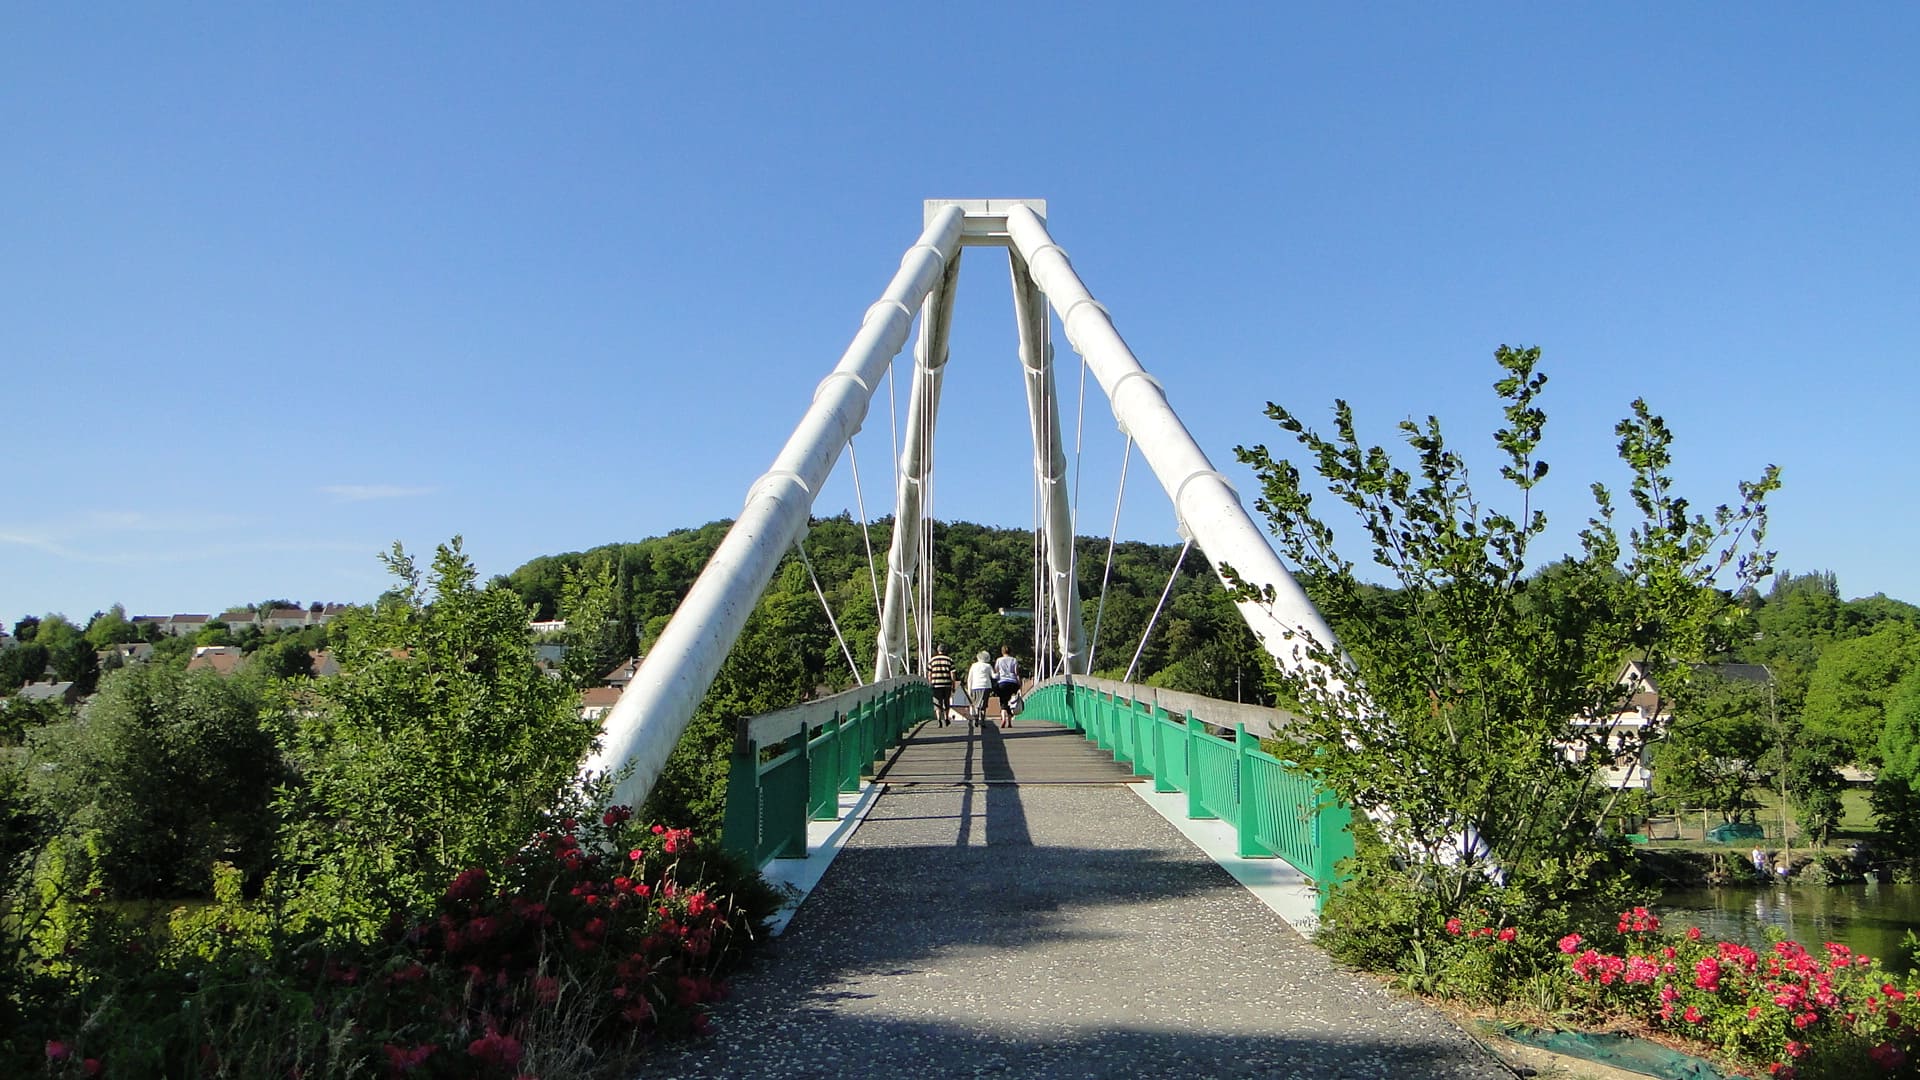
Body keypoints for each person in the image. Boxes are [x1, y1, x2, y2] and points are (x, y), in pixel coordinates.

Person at [992, 645, 1020, 728]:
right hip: (1012, 683)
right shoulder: (1014, 660)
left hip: (1002, 683)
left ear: (1002, 652)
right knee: (1011, 701)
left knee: (1003, 701)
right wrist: (1019, 684)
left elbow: (996, 671)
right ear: (1010, 651)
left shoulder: (999, 660)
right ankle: (1010, 722)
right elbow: (1016, 673)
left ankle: (1004, 718)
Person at [927, 645, 956, 727]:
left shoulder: (932, 660)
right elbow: (952, 674)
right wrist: (953, 685)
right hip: (947, 684)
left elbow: (929, 674)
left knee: (937, 703)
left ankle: (939, 719)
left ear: (937, 650)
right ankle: (946, 718)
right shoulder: (949, 660)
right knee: (946, 701)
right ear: (945, 650)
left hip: (936, 684)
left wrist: (930, 683)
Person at [966, 650, 994, 727]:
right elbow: (993, 676)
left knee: (976, 704)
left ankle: (976, 719)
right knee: (983, 705)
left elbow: (969, 679)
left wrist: (969, 689)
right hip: (986, 686)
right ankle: (983, 720)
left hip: (975, 686)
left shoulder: (973, 665)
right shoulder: (988, 666)